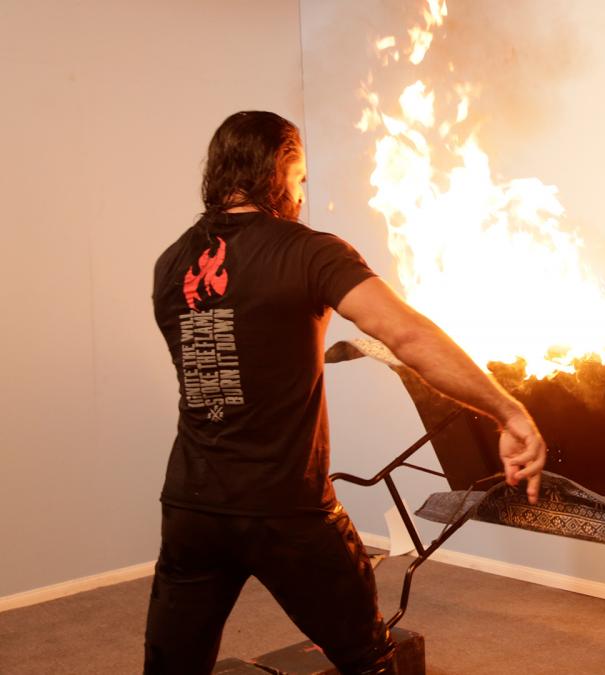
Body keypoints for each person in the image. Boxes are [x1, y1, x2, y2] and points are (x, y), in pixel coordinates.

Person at [145, 111, 547, 674]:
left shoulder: (170, 263)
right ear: (278, 167)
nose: (301, 194)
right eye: (300, 178)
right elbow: (407, 335)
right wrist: (508, 410)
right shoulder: (308, 251)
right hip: (287, 508)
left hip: (192, 504)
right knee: (367, 660)